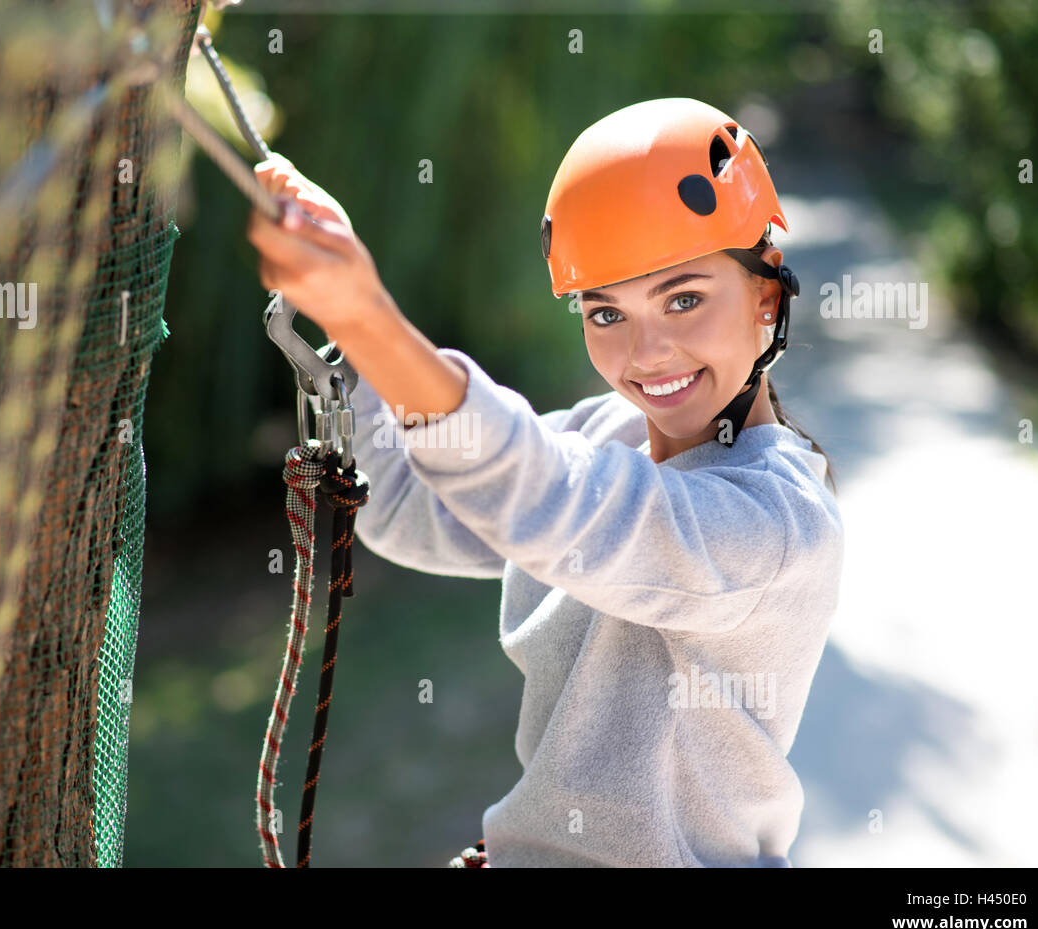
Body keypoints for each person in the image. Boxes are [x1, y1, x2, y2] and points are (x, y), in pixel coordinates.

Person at [246, 97, 844, 867]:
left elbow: (554, 503)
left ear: (768, 297)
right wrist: (346, 335)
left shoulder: (779, 521)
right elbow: (407, 500)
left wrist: (370, 317)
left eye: (684, 299)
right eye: (606, 314)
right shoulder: (603, 434)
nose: (648, 351)